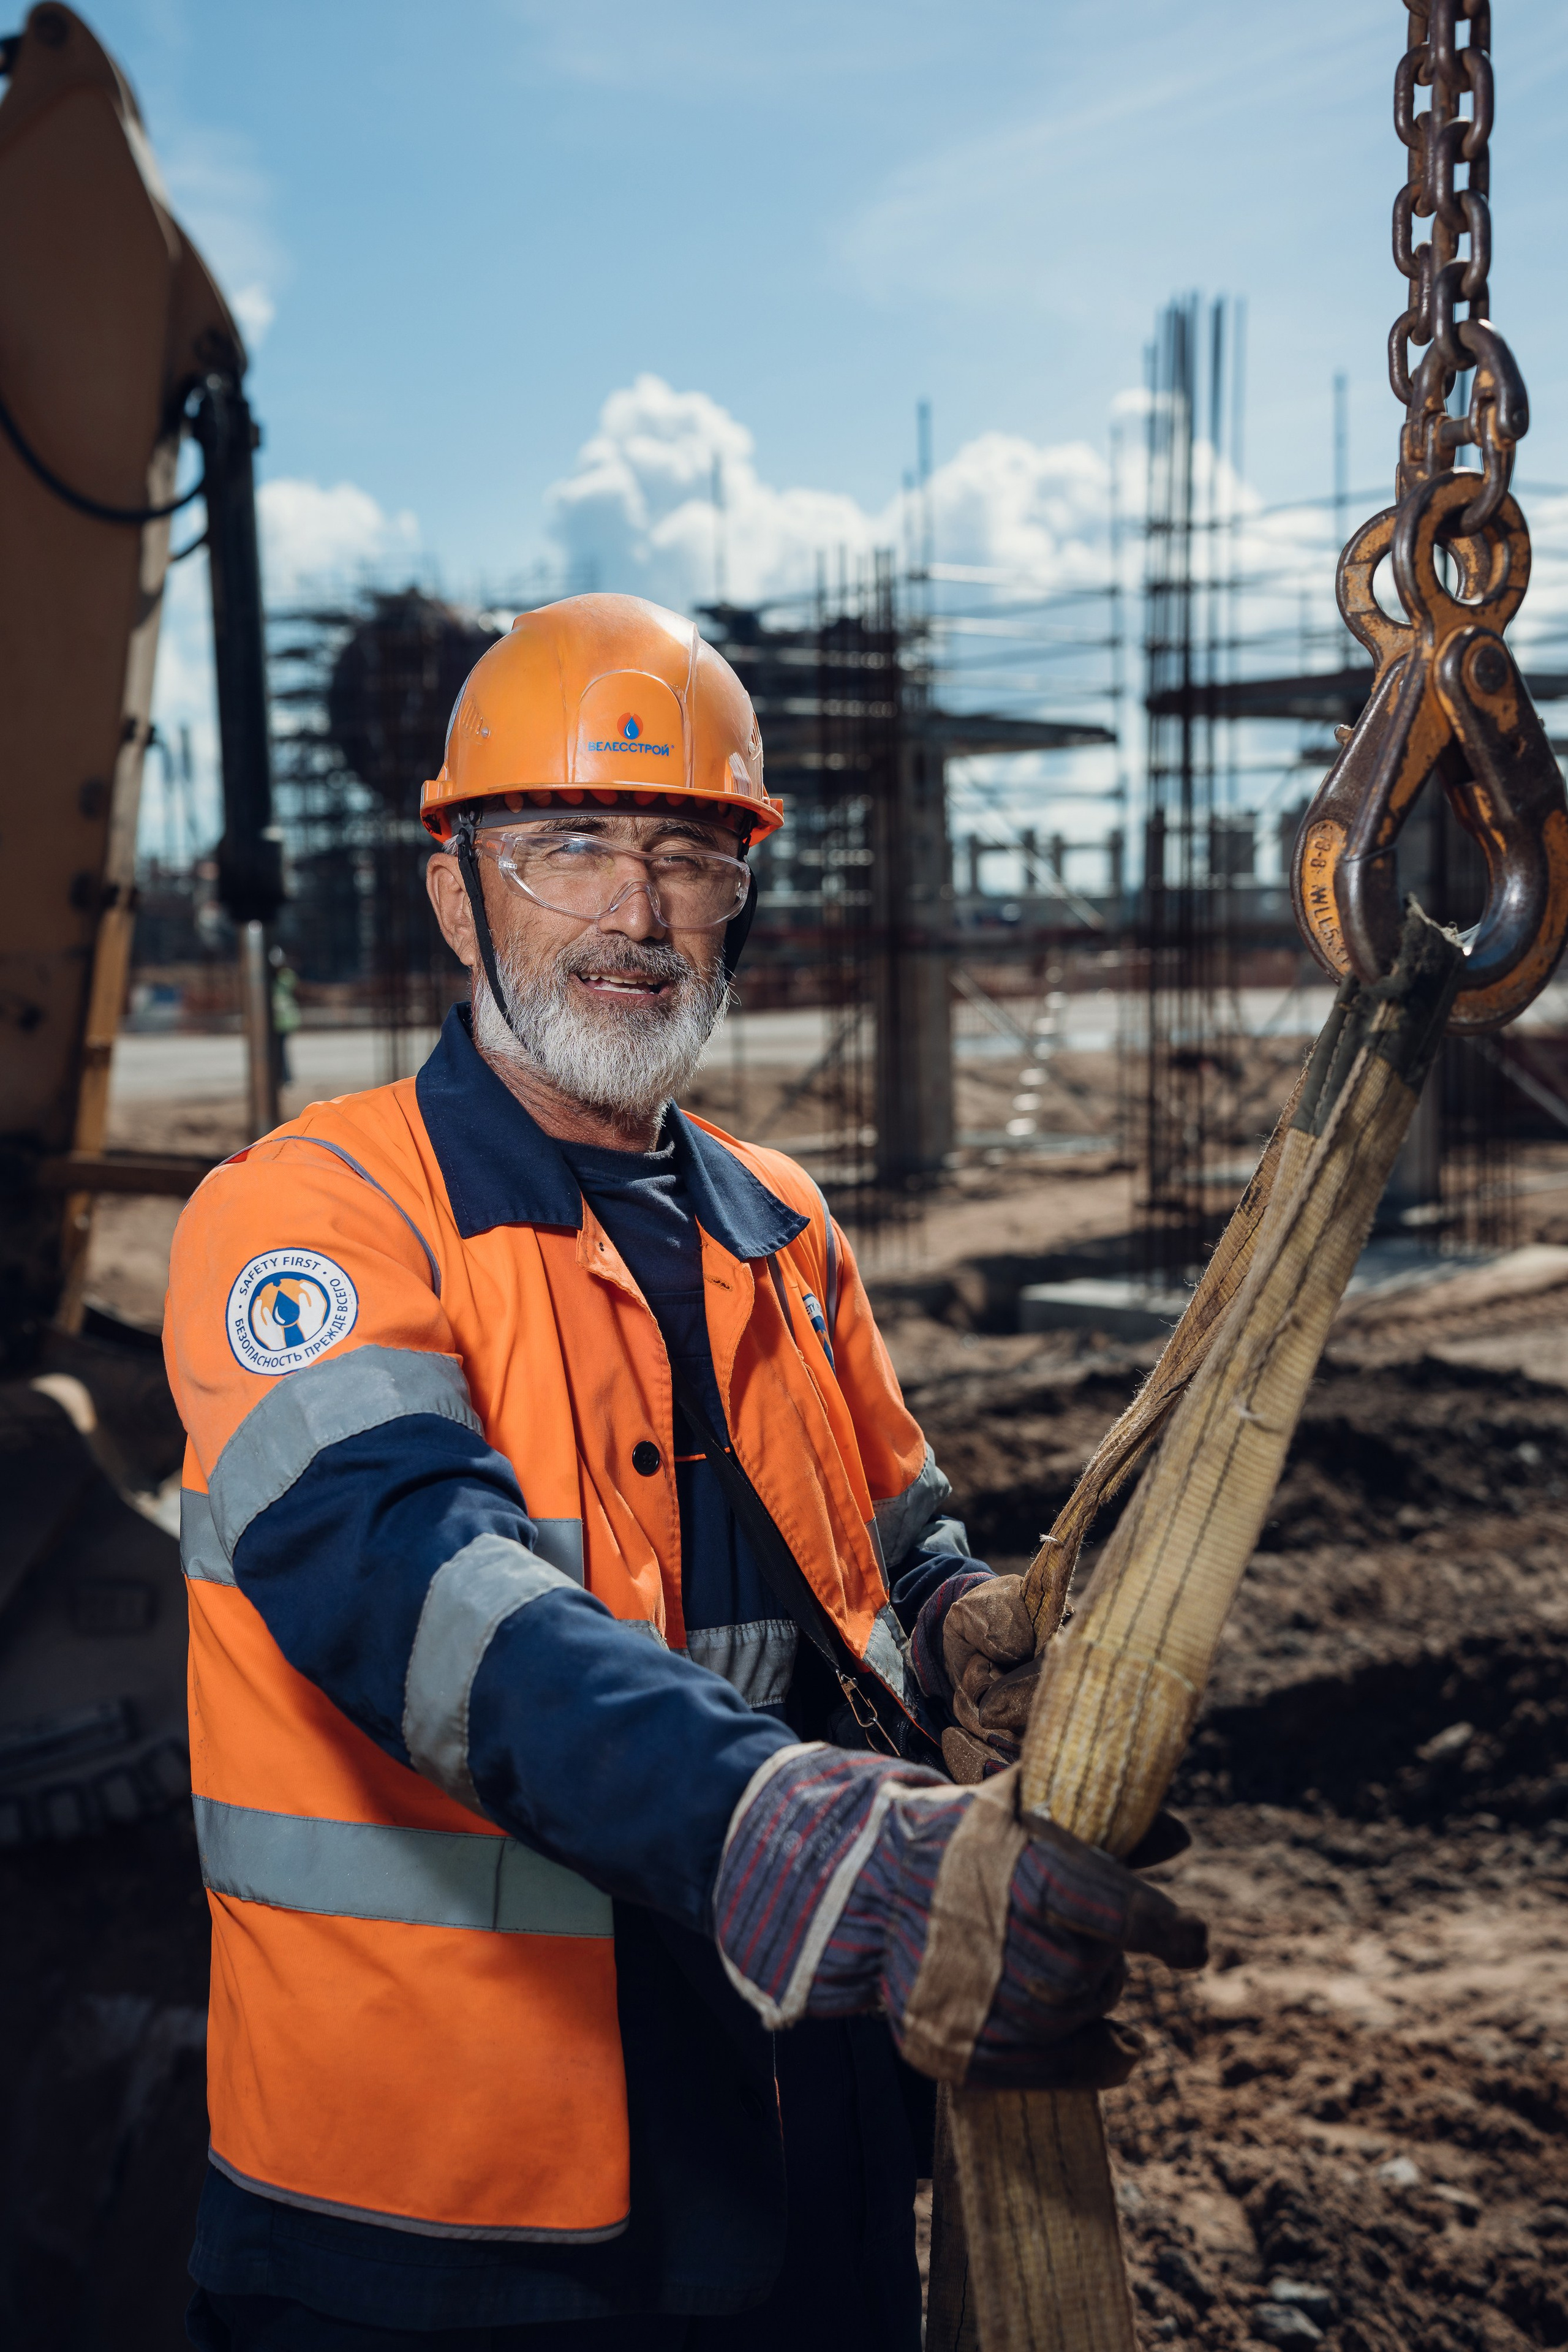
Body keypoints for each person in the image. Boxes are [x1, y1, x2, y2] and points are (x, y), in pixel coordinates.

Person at [164, 594, 1204, 2351]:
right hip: (445, 2218)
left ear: (740, 891)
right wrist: (789, 1839)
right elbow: (408, 1579)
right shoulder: (309, 1215)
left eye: (689, 856)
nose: (635, 914)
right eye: (568, 844)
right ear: (454, 886)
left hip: (807, 2141)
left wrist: (960, 1630)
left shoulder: (781, 1222)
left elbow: (888, 1542)